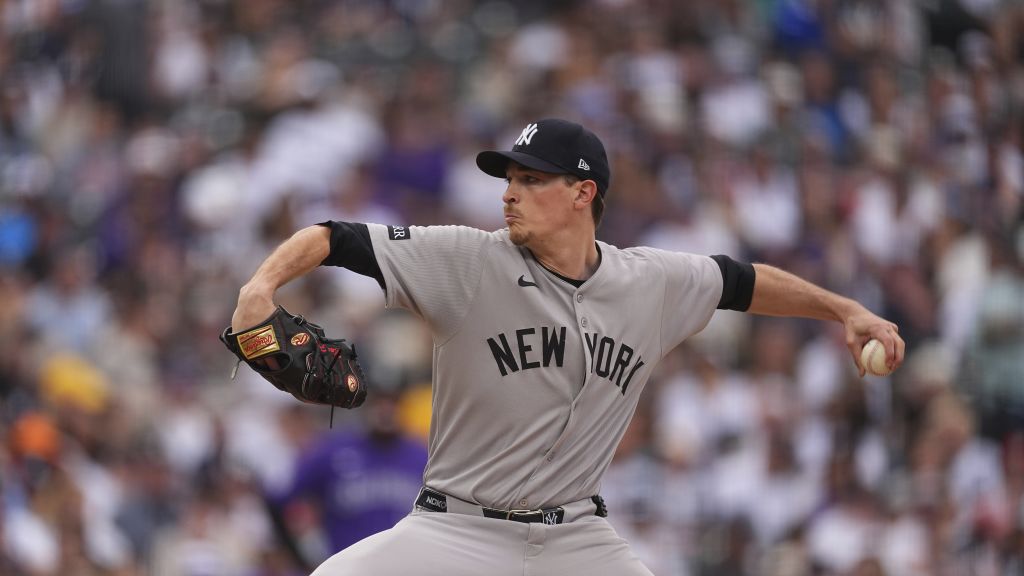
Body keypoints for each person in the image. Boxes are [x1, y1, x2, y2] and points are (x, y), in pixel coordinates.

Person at [230, 118, 905, 575]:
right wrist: (261, 287)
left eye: (531, 180)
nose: (510, 194)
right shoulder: (469, 261)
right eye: (509, 179)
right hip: (456, 530)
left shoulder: (649, 282)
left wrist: (843, 309)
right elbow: (334, 237)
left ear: (583, 193)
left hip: (576, 539)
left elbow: (742, 282)